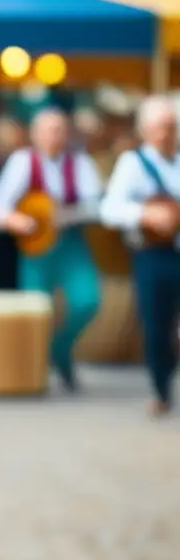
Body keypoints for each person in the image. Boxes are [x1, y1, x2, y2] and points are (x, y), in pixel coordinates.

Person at [0, 107, 103, 390]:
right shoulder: (23, 162)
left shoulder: (80, 163)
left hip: (71, 243)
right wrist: (18, 220)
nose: (55, 136)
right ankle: (32, 375)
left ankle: (59, 349)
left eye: (60, 129)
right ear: (35, 134)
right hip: (36, 248)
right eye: (49, 130)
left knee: (87, 300)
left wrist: (68, 215)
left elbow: (97, 205)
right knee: (38, 310)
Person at [100, 95, 180, 415]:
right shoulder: (133, 164)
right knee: (157, 324)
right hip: (152, 254)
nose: (167, 132)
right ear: (146, 130)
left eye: (171, 126)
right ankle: (160, 387)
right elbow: (110, 210)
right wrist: (145, 216)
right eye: (161, 126)